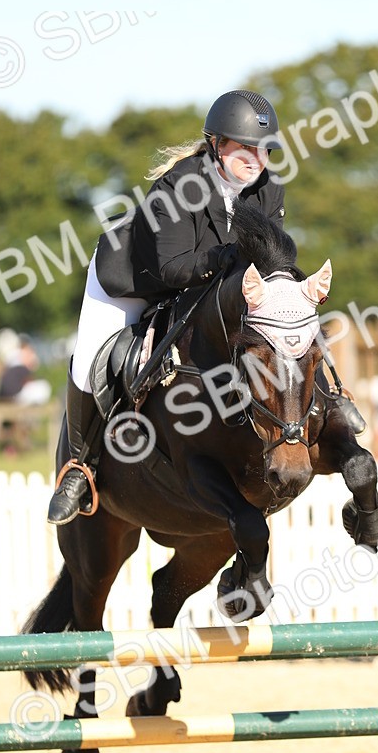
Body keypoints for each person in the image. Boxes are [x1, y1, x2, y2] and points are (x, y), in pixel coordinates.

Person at [47, 89, 286, 524]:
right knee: (89, 362)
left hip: (207, 285)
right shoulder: (179, 187)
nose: (256, 158)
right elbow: (172, 269)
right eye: (245, 147)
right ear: (216, 144)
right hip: (131, 281)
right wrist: (224, 259)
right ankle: (79, 468)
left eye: (264, 149)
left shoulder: (269, 190)